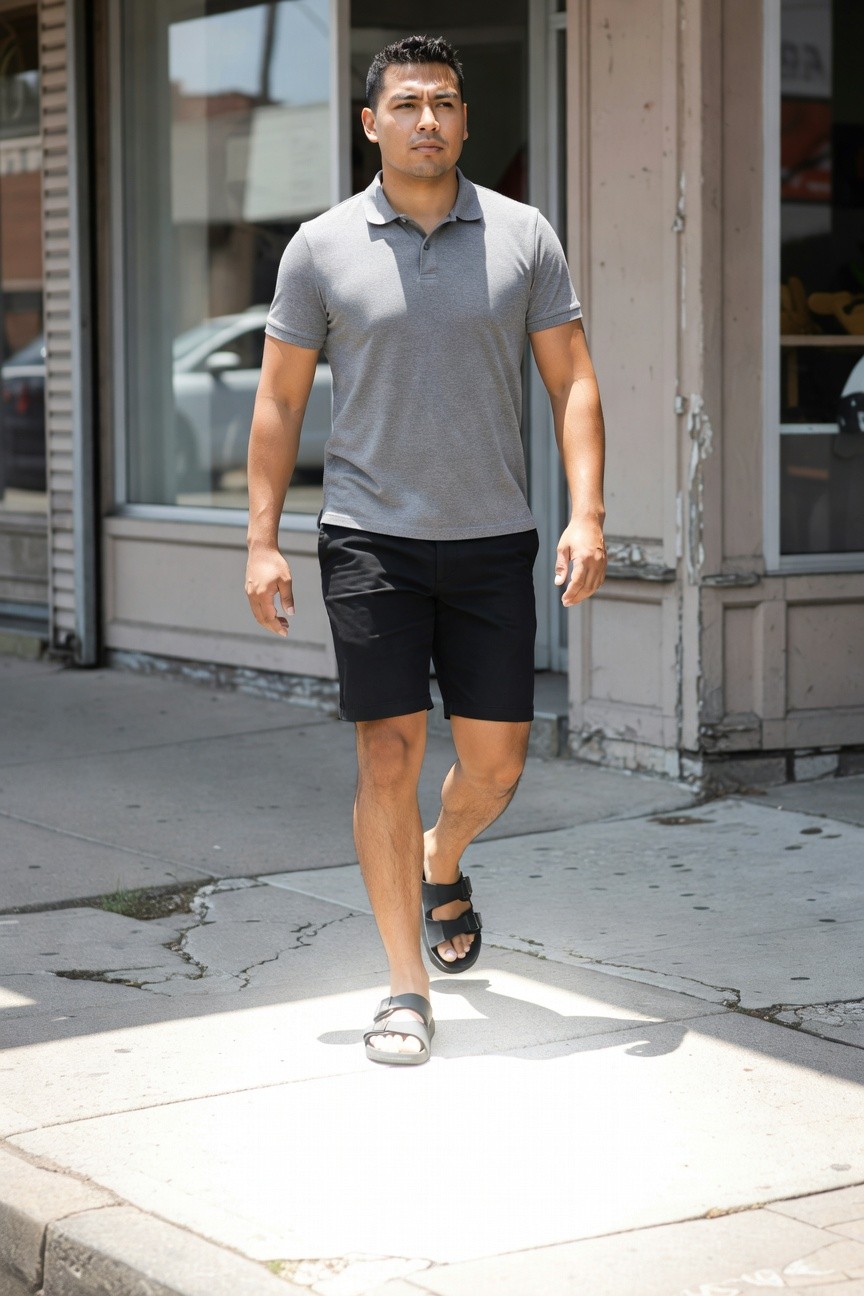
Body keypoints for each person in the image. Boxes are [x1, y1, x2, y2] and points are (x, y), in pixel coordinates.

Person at [245, 34, 606, 1066]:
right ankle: (406, 987)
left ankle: (444, 854)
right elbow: (277, 403)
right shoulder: (319, 248)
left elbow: (572, 379)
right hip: (369, 542)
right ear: (371, 123)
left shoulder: (525, 235)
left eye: (444, 102)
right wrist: (262, 540)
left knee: (495, 765)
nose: (427, 120)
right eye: (406, 103)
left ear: (463, 120)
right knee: (388, 752)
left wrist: (588, 512)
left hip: (494, 539)